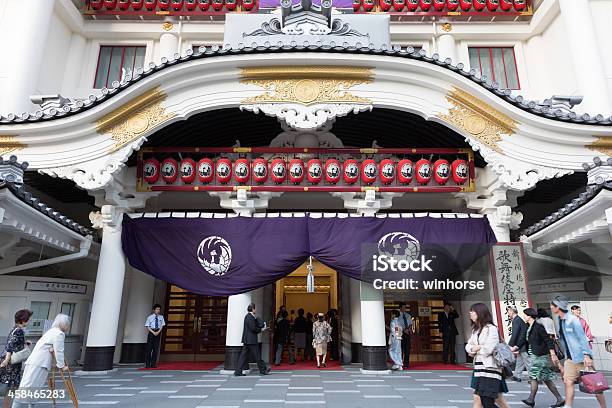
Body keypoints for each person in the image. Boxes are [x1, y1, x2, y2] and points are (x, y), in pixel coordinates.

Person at [551, 296, 607, 408]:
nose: (551, 307)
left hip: (581, 357)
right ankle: (568, 406)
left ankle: (603, 406)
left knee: (594, 383)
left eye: (553, 305)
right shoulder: (560, 321)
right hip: (570, 359)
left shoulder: (572, 320)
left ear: (559, 307)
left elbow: (582, 337)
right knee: (568, 382)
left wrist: (587, 355)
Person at [12, 314, 70, 408]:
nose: (68, 326)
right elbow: (59, 351)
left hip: (36, 362)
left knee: (34, 388)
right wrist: (61, 366)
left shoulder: (51, 331)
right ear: (64, 324)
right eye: (67, 324)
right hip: (39, 363)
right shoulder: (59, 334)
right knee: (28, 387)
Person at [465, 303, 507, 408]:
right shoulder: (476, 330)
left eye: (473, 311)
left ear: (480, 313)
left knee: (487, 402)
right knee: (483, 400)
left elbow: (488, 349)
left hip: (491, 370)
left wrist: (476, 348)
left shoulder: (491, 329)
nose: (470, 314)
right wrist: (475, 348)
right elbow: (468, 345)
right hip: (479, 370)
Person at [520, 308, 564, 408]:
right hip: (534, 356)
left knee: (538, 377)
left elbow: (548, 340)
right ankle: (558, 398)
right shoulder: (529, 326)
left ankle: (532, 399)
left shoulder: (538, 327)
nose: (524, 316)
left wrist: (552, 354)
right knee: (542, 378)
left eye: (525, 315)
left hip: (540, 357)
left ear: (529, 315)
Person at [0, 310, 32, 399]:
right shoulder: (19, 331)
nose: (29, 321)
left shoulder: (14, 329)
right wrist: (6, 360)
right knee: (10, 386)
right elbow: (10, 345)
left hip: (11, 360)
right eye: (28, 319)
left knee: (9, 385)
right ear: (23, 320)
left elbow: (14, 342)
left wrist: (25, 342)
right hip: (12, 362)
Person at [234, 303, 270, 376]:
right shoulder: (250, 317)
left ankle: (238, 371)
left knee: (243, 356)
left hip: (247, 340)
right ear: (253, 309)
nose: (256, 310)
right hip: (251, 340)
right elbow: (253, 328)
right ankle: (263, 370)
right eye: (255, 308)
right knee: (257, 356)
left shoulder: (248, 316)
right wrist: (261, 329)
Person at [507, 306, 530, 382]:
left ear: (512, 311)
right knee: (521, 361)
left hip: (522, 343)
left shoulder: (516, 320)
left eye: (509, 311)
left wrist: (511, 345)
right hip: (522, 343)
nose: (508, 313)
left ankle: (535, 377)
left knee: (527, 361)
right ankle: (516, 375)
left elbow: (515, 334)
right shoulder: (518, 319)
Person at [144, 304, 165, 368]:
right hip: (151, 332)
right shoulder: (150, 317)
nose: (158, 310)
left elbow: (162, 325)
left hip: (158, 332)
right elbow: (147, 326)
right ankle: (147, 364)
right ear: (154, 310)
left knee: (155, 349)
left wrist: (158, 332)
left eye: (159, 309)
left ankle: (153, 364)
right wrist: (153, 332)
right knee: (149, 348)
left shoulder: (161, 317)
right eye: (157, 309)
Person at [398, 302, 412, 368]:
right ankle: (400, 363)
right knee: (400, 349)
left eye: (405, 307)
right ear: (400, 308)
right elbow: (396, 325)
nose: (404, 309)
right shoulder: (397, 316)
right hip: (400, 333)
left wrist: (408, 329)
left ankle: (406, 364)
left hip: (407, 334)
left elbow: (410, 324)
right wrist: (403, 330)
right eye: (403, 307)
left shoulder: (408, 315)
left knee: (407, 349)